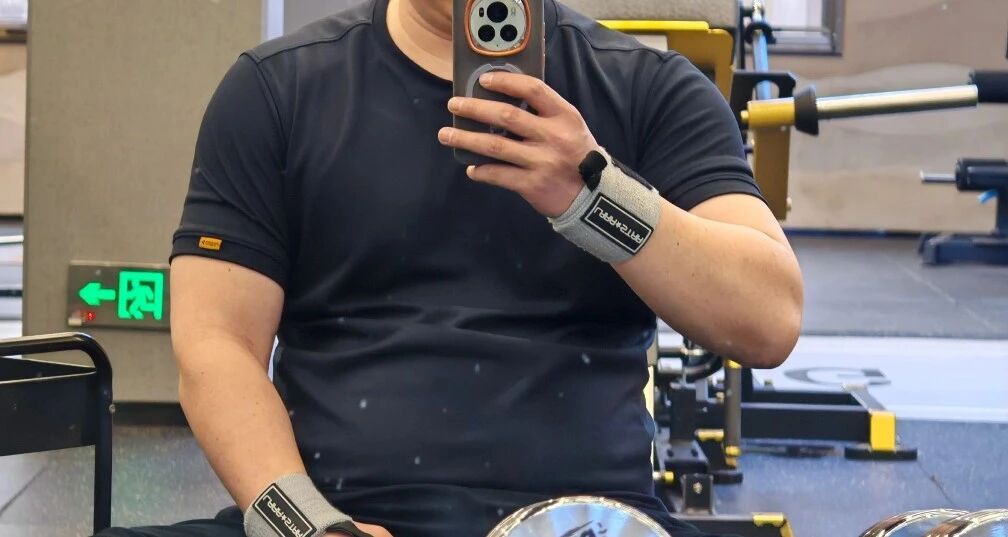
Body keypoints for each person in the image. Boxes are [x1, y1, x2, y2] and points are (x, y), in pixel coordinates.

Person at [99, 0, 803, 535]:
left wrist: (593, 194)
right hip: (342, 512)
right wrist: (305, 524)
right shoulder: (276, 90)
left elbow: (769, 318)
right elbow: (216, 346)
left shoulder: (650, 89)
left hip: (583, 521)